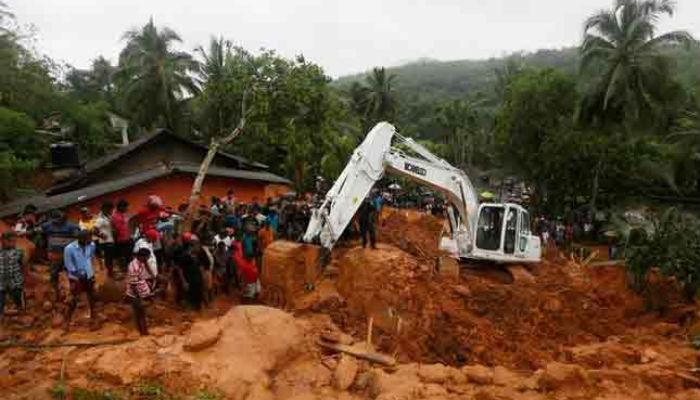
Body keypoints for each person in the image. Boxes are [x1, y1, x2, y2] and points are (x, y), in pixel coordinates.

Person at [42, 210, 80, 301]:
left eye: (58, 219)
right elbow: (38, 230)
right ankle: (56, 294)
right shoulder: (47, 225)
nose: (56, 221)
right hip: (54, 255)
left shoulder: (71, 226)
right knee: (54, 274)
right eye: (54, 220)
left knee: (72, 274)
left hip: (68, 255)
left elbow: (78, 235)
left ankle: (74, 294)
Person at [63, 230, 97, 330]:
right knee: (74, 298)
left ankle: (93, 317)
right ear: (81, 239)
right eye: (88, 239)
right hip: (76, 278)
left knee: (91, 296)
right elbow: (68, 264)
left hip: (89, 275)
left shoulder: (91, 245)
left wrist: (90, 273)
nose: (90, 240)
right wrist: (78, 275)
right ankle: (67, 320)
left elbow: (90, 258)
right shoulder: (69, 249)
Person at [126, 248, 153, 335]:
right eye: (147, 257)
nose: (148, 259)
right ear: (142, 257)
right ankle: (143, 332)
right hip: (135, 293)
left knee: (142, 313)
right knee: (139, 312)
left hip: (141, 290)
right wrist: (139, 297)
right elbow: (133, 284)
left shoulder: (141, 263)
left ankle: (144, 330)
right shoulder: (133, 266)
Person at [0, 232, 25, 322]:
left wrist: (22, 278)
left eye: (14, 241)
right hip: (1, 281)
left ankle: (20, 314)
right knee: (1, 299)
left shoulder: (18, 252)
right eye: (9, 241)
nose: (12, 243)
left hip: (15, 280)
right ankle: (2, 316)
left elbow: (22, 265)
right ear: (2, 241)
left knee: (17, 296)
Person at [93, 201, 116, 277]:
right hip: (106, 242)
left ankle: (111, 272)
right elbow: (94, 230)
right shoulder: (100, 219)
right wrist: (102, 236)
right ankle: (110, 273)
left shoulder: (108, 216)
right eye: (110, 209)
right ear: (105, 209)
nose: (111, 211)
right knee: (108, 258)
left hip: (111, 240)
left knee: (111, 258)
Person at [112, 199, 132, 272]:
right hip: (121, 241)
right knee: (124, 258)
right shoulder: (115, 216)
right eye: (125, 207)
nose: (127, 209)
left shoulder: (124, 214)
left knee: (129, 257)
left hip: (127, 238)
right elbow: (116, 230)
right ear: (121, 207)